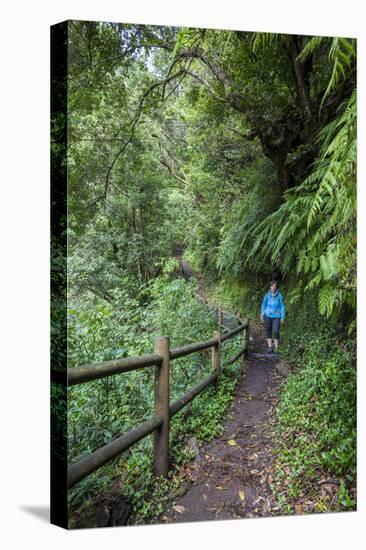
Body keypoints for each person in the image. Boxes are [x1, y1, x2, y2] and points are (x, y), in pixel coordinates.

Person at [260, 279, 286, 353]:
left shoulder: (279, 296)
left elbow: (282, 306)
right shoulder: (267, 295)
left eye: (275, 286)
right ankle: (270, 347)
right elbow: (263, 305)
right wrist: (261, 315)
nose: (273, 287)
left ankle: (276, 347)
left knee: (275, 331)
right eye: (272, 286)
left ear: (276, 287)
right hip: (267, 315)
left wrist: (282, 317)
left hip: (277, 316)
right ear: (270, 287)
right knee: (268, 330)